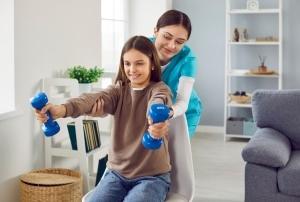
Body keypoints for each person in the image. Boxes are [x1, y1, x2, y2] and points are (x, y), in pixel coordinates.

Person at [34, 36, 173, 202]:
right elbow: (90, 99)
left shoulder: (159, 90)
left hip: (152, 177)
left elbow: (159, 100)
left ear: (152, 64)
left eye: (139, 63)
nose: (132, 69)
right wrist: (60, 110)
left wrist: (156, 116)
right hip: (117, 174)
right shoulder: (118, 91)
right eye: (127, 63)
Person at [90, 9, 202, 137]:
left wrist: (167, 113)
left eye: (179, 42)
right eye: (167, 37)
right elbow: (120, 90)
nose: (172, 46)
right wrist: (103, 111)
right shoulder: (139, 48)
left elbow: (182, 101)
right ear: (155, 31)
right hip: (151, 109)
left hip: (182, 111)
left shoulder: (188, 60)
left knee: (174, 154)